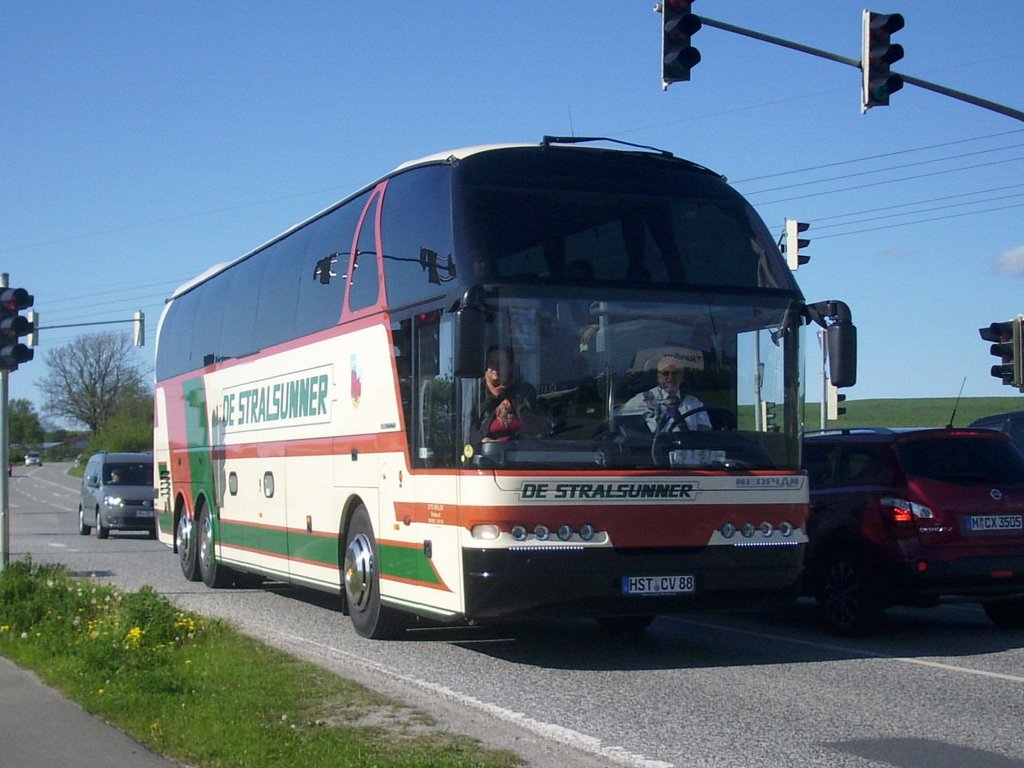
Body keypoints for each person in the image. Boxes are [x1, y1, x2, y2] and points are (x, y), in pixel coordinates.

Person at [619, 355, 711, 432]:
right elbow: (620, 422)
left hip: (687, 447)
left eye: (675, 373)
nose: (670, 377)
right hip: (655, 447)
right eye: (665, 373)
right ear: (658, 376)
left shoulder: (694, 403)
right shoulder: (642, 399)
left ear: (681, 376)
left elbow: (704, 433)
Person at [476, 345, 536, 442]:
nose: (496, 367)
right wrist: (484, 440)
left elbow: (531, 421)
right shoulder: (478, 395)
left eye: (501, 364)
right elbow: (471, 430)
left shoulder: (524, 391)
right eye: (492, 363)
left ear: (510, 366)